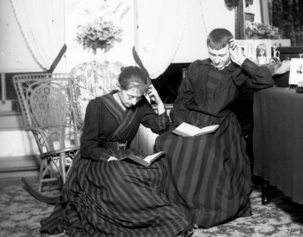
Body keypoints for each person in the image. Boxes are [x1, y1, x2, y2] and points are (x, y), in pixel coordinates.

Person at [41, 66, 193, 237]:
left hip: (126, 156)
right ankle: (145, 224)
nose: (134, 102)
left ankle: (168, 220)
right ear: (119, 87)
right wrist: (109, 158)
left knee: (158, 168)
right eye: (130, 96)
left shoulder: (141, 105)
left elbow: (160, 128)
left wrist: (158, 103)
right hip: (97, 159)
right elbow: (87, 146)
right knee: (119, 175)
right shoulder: (97, 105)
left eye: (138, 97)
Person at [154, 28, 274, 229]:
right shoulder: (197, 67)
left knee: (201, 149)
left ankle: (201, 213)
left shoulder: (236, 71)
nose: (216, 59)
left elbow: (266, 80)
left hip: (221, 124)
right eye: (212, 54)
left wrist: (242, 60)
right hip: (191, 120)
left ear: (231, 50)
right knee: (166, 142)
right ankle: (177, 208)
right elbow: (182, 101)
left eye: (221, 55)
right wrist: (183, 124)